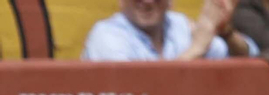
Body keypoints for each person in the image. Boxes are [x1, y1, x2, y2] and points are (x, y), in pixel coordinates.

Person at [82, 0, 257, 61]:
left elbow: (249, 56)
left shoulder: (177, 25)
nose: (148, 1)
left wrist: (225, 32)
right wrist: (196, 50)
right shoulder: (106, 36)